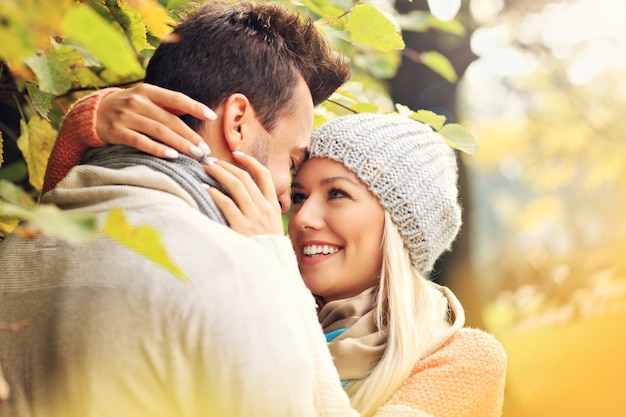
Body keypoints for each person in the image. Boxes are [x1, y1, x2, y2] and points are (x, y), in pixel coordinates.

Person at [0, 1, 357, 417]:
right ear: (237, 122)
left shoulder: (18, 248)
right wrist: (276, 273)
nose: (283, 201)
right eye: (291, 163)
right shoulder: (231, 274)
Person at [44, 96, 508, 415]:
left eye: (339, 194)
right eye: (301, 195)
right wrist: (89, 121)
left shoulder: (463, 358)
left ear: (400, 228)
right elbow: (69, 253)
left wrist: (276, 272)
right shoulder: (244, 302)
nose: (302, 218)